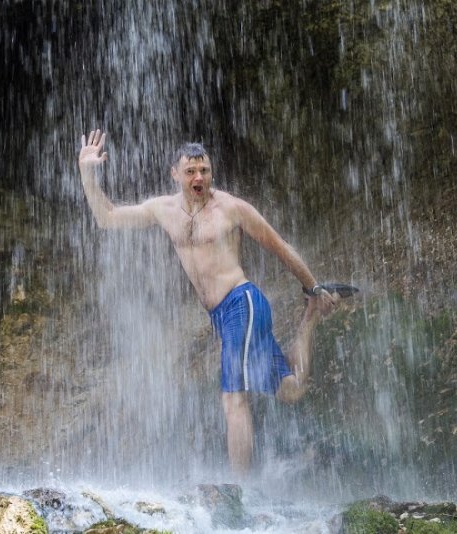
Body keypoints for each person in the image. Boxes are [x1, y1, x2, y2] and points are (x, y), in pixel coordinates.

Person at [78, 129, 338, 477]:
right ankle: (310, 320)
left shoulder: (231, 208)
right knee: (290, 390)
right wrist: (87, 173)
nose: (198, 178)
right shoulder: (163, 210)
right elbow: (106, 218)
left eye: (204, 170)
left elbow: (280, 247)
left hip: (242, 304)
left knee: (233, 397)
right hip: (222, 315)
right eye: (190, 172)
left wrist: (313, 286)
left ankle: (239, 495)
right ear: (175, 174)